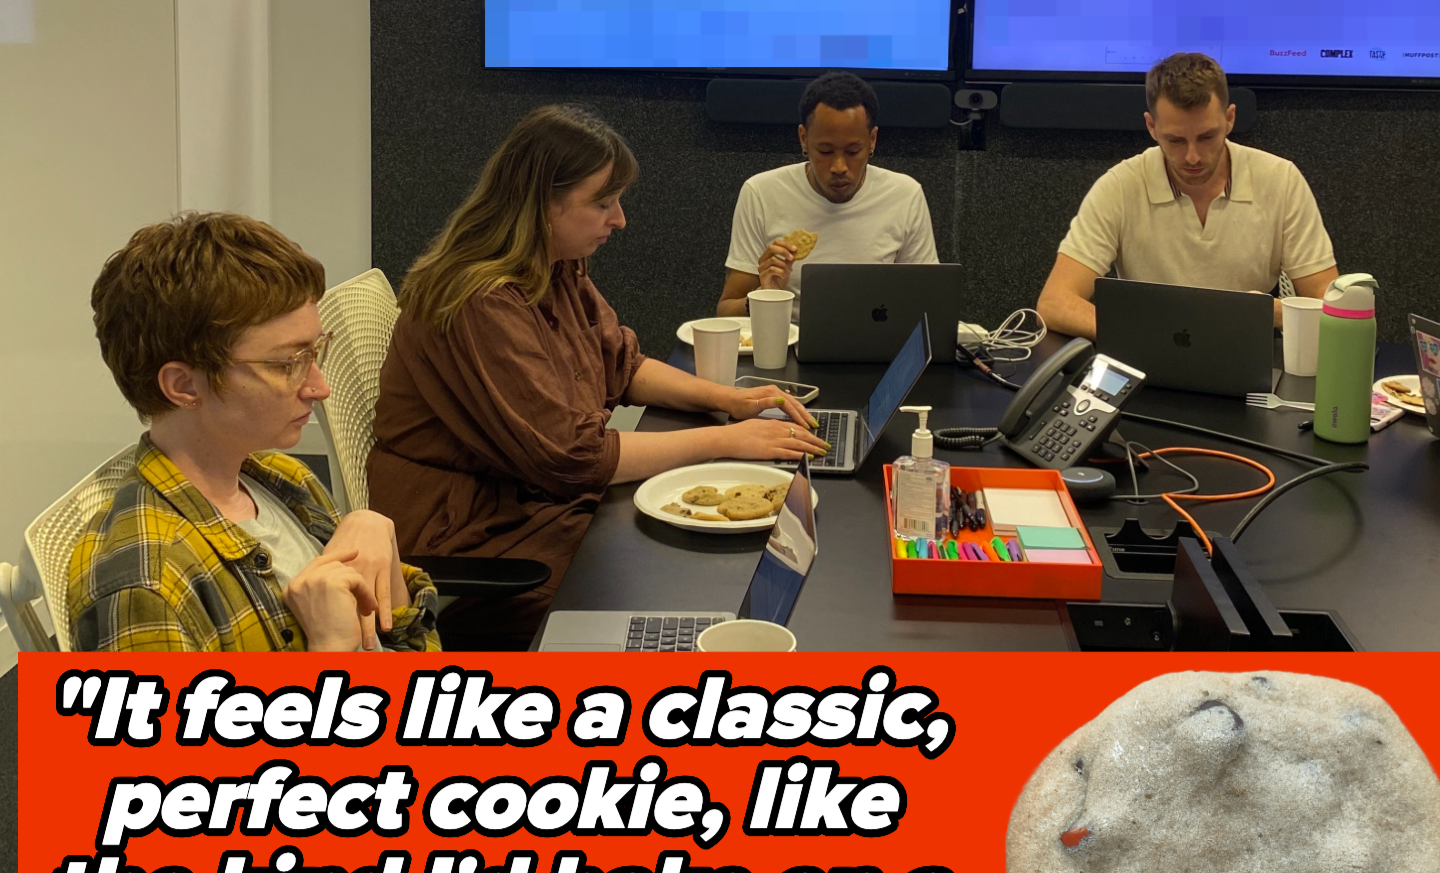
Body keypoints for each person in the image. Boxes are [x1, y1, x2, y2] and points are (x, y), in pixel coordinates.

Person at [367, 105, 826, 644]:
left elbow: (622, 364)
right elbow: (573, 456)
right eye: (602, 202)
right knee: (675, 584)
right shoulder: (481, 301)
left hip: (536, 505)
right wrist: (727, 440)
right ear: (541, 206)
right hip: (481, 542)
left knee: (693, 568)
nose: (619, 219)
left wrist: (733, 399)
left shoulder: (554, 265)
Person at [71, 212, 438, 653]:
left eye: (315, 352)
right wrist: (330, 650)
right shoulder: (146, 583)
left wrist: (379, 539)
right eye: (286, 364)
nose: (320, 388)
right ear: (185, 386)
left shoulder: (283, 479)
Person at [1037, 52, 1339, 340]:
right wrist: (1140, 337)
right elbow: (1054, 302)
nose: (1192, 157)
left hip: (1246, 356)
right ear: (1152, 127)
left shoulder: (1279, 179)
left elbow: (1333, 307)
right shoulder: (1121, 186)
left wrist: (1279, 314)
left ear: (1230, 119)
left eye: (1207, 137)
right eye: (1176, 140)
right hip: (1146, 359)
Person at [718, 71, 939, 320]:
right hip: (787, 346)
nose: (839, 167)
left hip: (875, 348)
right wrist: (763, 296)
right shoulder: (761, 193)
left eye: (853, 151)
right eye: (825, 151)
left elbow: (927, 303)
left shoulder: (905, 195)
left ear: (872, 140)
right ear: (803, 139)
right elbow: (726, 311)